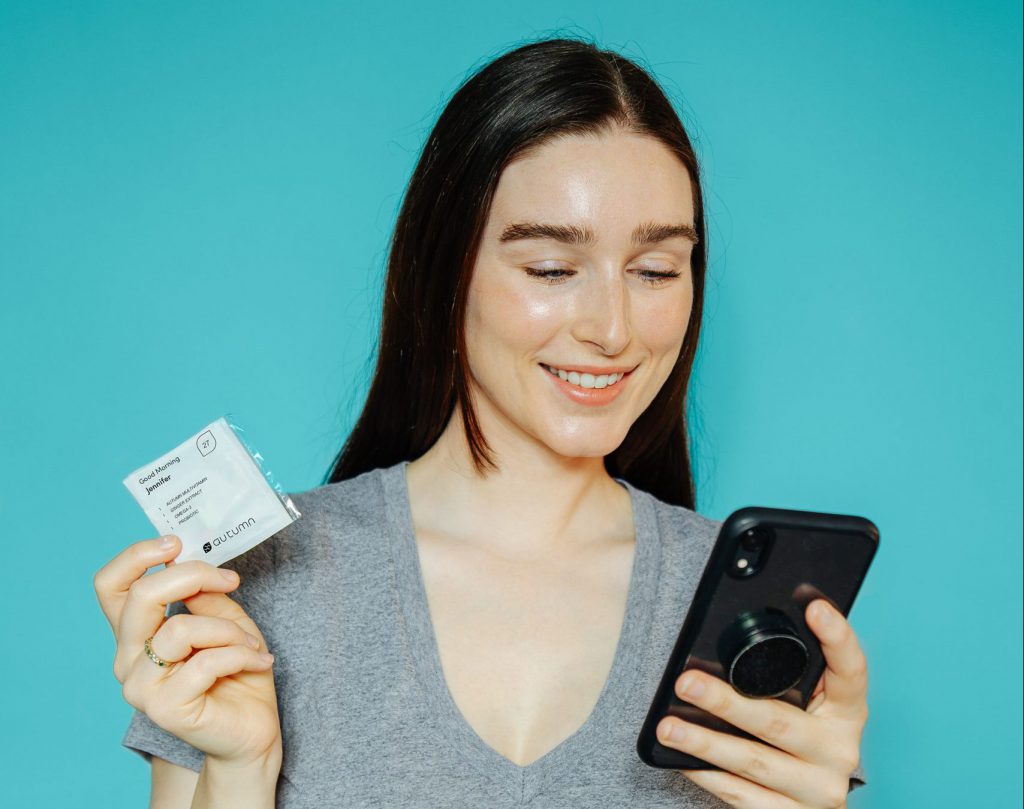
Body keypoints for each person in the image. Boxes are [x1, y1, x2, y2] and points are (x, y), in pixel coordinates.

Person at [94, 36, 869, 808]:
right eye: (552, 269)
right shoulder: (266, 579)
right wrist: (239, 770)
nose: (613, 328)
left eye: (656, 270)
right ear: (446, 271)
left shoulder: (747, 615)